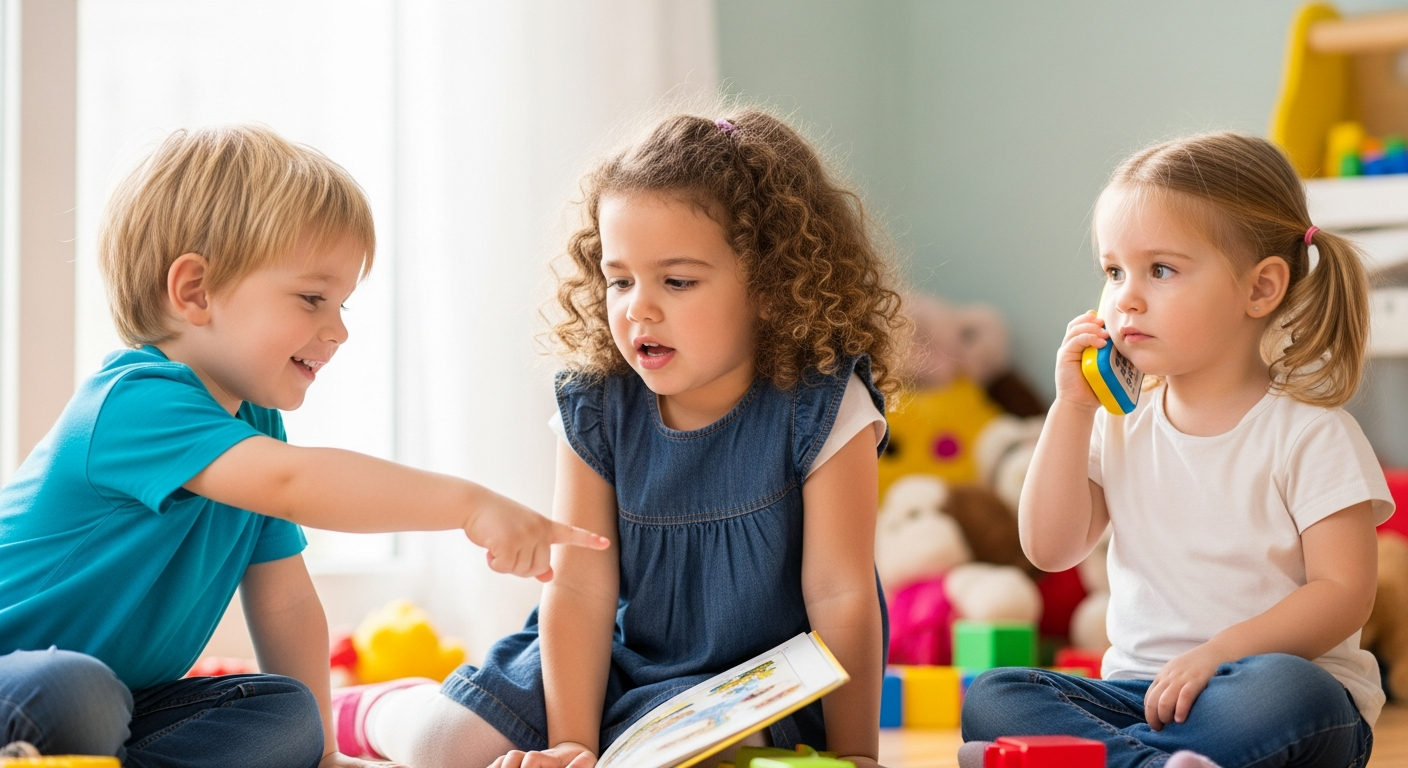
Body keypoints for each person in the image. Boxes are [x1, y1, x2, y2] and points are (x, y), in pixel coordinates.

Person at [0, 125, 608, 768]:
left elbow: (284, 598)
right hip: (33, 686)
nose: (339, 329)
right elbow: (298, 482)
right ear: (195, 291)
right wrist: (468, 505)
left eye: (342, 303)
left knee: (288, 715)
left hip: (123, 707)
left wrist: (322, 756)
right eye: (313, 298)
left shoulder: (254, 427)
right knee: (74, 690)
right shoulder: (132, 403)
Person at [335, 109, 907, 768]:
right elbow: (578, 591)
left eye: (677, 281)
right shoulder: (598, 402)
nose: (638, 307)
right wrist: (570, 746)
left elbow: (841, 593)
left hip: (747, 687)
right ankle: (373, 710)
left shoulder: (824, 406)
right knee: (448, 748)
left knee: (720, 759)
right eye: (620, 279)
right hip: (602, 661)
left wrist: (859, 753)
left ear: (770, 286)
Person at [960, 132, 1391, 768]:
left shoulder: (1311, 435)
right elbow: (1049, 549)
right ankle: (1157, 764)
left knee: (1294, 695)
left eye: (1160, 270)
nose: (1125, 297)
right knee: (995, 696)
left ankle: (1110, 762)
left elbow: (1344, 594)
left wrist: (1218, 655)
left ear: (1260, 289)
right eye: (1113, 271)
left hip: (1264, 693)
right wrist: (1071, 408)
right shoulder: (1118, 422)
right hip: (1137, 695)